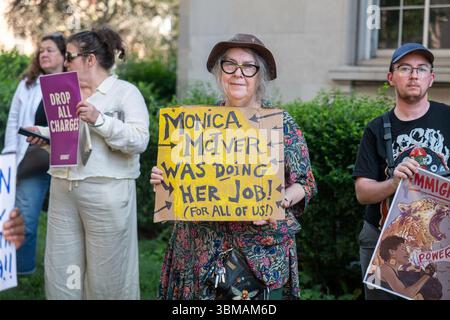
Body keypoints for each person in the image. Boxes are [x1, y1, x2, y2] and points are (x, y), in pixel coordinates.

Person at [150, 33, 317, 300]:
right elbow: (178, 181)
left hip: (260, 253)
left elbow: (305, 184)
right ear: (220, 72)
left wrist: (281, 199)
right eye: (230, 64)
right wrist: (164, 178)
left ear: (259, 75)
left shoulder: (280, 124)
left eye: (248, 66)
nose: (238, 73)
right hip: (199, 250)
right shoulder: (194, 124)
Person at [30, 26, 149, 299]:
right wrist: (44, 135)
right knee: (63, 271)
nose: (66, 62)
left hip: (106, 192)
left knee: (108, 275)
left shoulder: (125, 93)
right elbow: (73, 138)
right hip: (63, 189)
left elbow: (139, 140)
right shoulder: (66, 92)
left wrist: (100, 120)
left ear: (90, 59)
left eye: (69, 56)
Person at [353, 43, 450, 300]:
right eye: (405, 68)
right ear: (391, 77)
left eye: (421, 69)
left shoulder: (448, 119)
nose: (414, 74)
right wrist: (393, 183)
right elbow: (362, 193)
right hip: (384, 241)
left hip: (440, 242)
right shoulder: (377, 128)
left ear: (432, 78)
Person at [2, 33, 66, 275]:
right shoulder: (29, 83)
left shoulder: (75, 85)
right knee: (26, 217)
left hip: (67, 164)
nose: (44, 54)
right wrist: (9, 155)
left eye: (50, 50)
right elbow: (13, 122)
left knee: (65, 224)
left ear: (64, 55)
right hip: (31, 160)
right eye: (41, 50)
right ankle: (22, 269)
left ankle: (63, 269)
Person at [378, 235, 441, 300]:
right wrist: (427, 274)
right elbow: (406, 294)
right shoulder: (385, 269)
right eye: (403, 249)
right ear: (392, 252)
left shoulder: (394, 270)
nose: (407, 253)